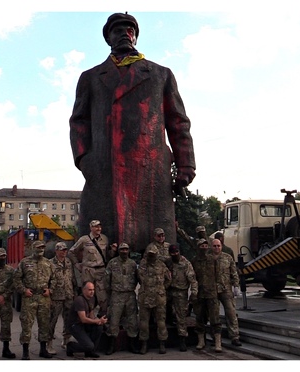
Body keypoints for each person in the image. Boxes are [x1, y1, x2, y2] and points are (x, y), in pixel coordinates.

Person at [69, 12, 196, 255]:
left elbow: (178, 123)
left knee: (157, 247)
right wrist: (86, 160)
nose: (125, 34)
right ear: (108, 38)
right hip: (104, 170)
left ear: (135, 37)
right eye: (118, 31)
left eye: (130, 31)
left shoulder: (161, 74)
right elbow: (78, 122)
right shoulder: (91, 78)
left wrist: (186, 166)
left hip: (150, 171)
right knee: (100, 247)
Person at [13, 240, 56, 360]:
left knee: (44, 325)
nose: (41, 249)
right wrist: (23, 290)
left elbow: (54, 279)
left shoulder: (48, 263)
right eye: (38, 247)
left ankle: (43, 349)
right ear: (33, 248)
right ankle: (25, 352)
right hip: (29, 297)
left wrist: (50, 290)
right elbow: (16, 278)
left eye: (42, 247)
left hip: (43, 297)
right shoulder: (25, 262)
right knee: (26, 325)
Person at [69, 219, 117, 317]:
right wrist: (77, 264)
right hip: (88, 270)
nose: (98, 228)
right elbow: (71, 252)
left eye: (99, 226)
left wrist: (113, 250)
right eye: (96, 226)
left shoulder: (104, 239)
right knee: (87, 295)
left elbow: (108, 256)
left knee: (102, 296)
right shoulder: (84, 239)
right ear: (91, 228)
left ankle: (101, 318)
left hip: (100, 270)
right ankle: (85, 317)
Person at [104, 243, 140, 355]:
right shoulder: (112, 263)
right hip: (117, 294)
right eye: (122, 249)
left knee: (132, 321)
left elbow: (137, 278)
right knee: (114, 320)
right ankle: (111, 345)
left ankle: (132, 344)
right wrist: (110, 292)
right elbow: (106, 279)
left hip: (130, 294)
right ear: (118, 251)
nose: (124, 251)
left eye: (126, 249)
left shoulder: (133, 264)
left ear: (129, 251)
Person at [137, 245, 171, 354]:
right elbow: (139, 278)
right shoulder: (142, 265)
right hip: (145, 297)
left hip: (158, 297)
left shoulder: (162, 265)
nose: (151, 256)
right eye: (149, 254)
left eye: (153, 254)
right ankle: (144, 344)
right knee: (143, 323)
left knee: (161, 322)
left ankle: (162, 343)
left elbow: (168, 279)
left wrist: (161, 289)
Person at [191, 238, 222, 353]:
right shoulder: (194, 261)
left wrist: (219, 289)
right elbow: (192, 277)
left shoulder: (213, 259)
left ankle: (218, 342)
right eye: (201, 246)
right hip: (200, 294)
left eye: (205, 246)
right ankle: (201, 341)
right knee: (199, 318)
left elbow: (218, 275)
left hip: (212, 293)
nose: (204, 248)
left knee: (215, 318)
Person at [65, 281, 108, 358]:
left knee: (99, 327)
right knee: (89, 346)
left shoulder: (92, 298)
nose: (92, 292)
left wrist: (98, 321)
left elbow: (91, 313)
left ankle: (90, 351)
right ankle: (71, 346)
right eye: (90, 290)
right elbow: (83, 319)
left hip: (84, 324)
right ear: (83, 290)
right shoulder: (79, 300)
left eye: (93, 290)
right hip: (75, 325)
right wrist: (97, 321)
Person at [47, 242, 77, 354]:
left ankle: (66, 340)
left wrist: (74, 292)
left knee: (68, 319)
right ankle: (48, 342)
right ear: (56, 251)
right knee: (52, 320)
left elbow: (72, 278)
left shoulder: (69, 262)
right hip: (56, 296)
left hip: (68, 295)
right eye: (62, 250)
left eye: (65, 250)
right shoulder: (50, 263)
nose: (64, 252)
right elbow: (47, 280)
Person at [211, 238, 241, 347]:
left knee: (231, 313)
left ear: (221, 246)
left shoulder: (227, 258)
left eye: (218, 246)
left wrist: (236, 286)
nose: (216, 248)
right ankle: (216, 337)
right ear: (211, 247)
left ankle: (234, 336)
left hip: (226, 289)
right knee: (214, 315)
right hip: (213, 290)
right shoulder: (208, 258)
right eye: (214, 246)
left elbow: (234, 272)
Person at [167, 244, 198, 352]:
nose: (175, 254)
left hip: (181, 292)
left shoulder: (185, 263)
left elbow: (192, 279)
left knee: (181, 317)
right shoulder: (168, 262)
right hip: (168, 291)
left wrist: (194, 293)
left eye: (176, 252)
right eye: (172, 253)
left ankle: (182, 339)